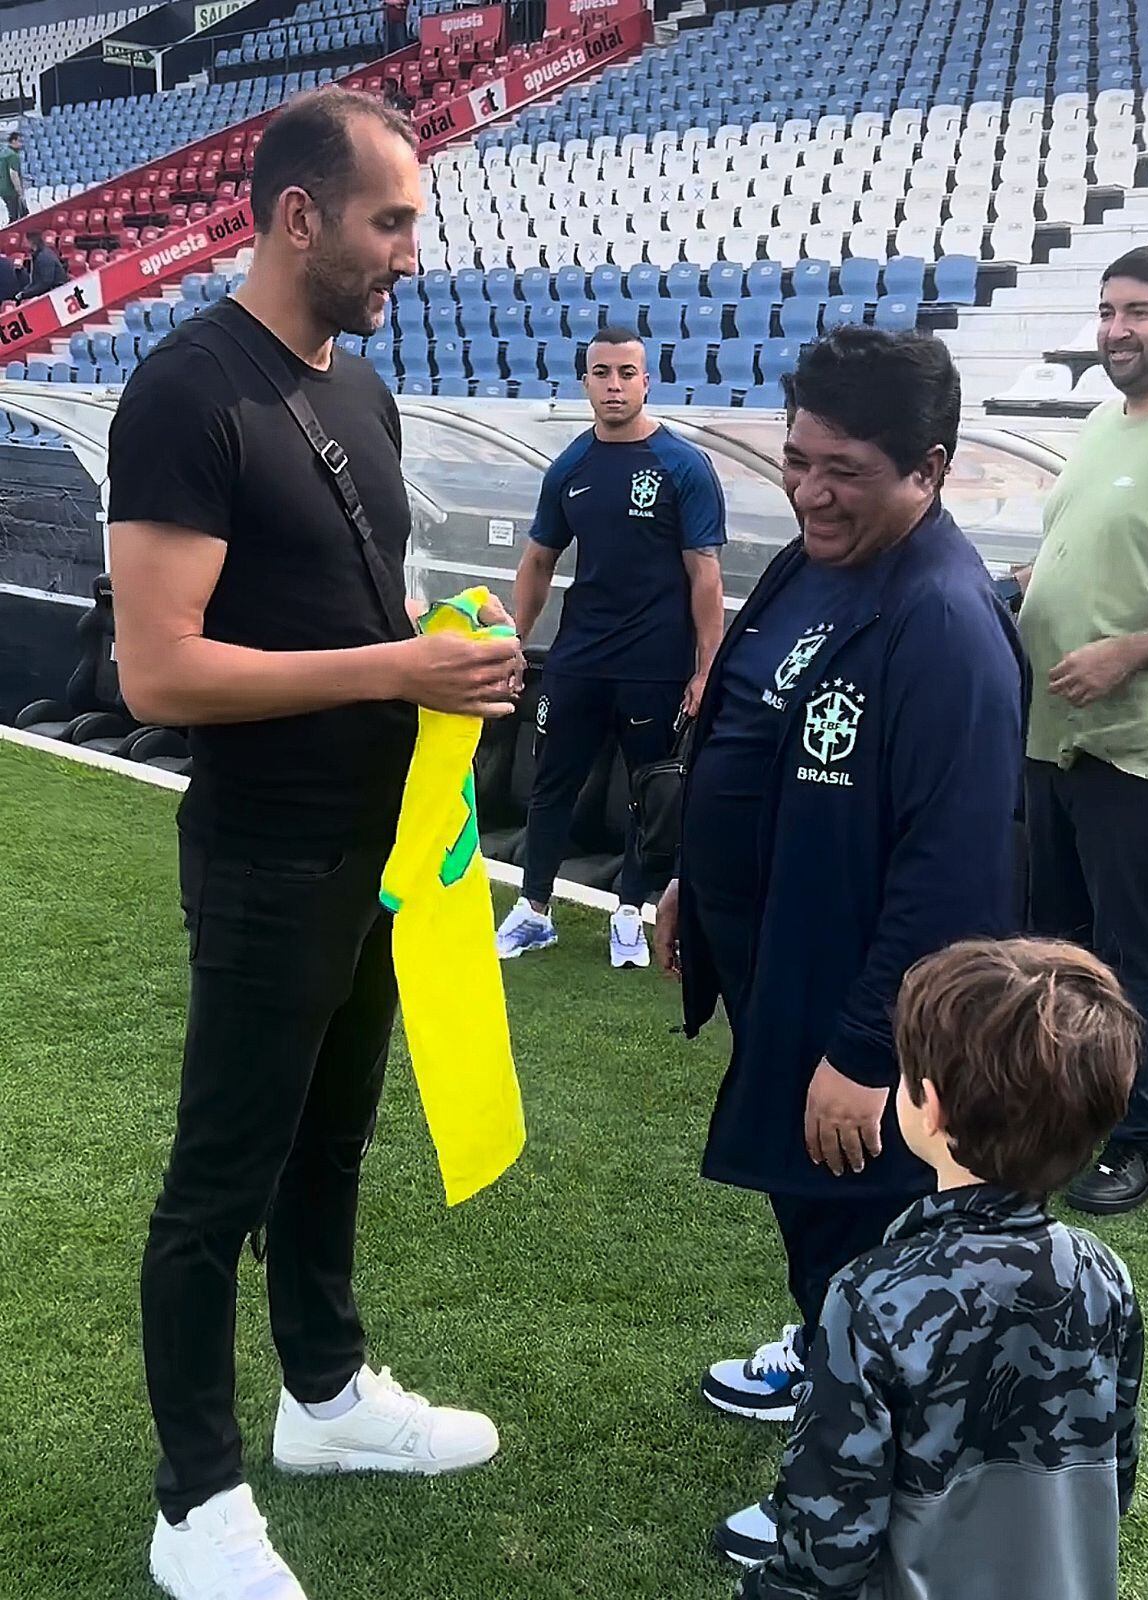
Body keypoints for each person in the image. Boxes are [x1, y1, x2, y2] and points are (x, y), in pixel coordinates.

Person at [108, 88, 524, 1600]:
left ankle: (327, 1400)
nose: (413, 249)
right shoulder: (185, 392)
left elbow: (342, 614)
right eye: (391, 219)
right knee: (220, 1179)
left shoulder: (358, 388)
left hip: (378, 843)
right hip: (268, 853)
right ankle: (194, 1499)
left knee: (335, 1138)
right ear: (299, 217)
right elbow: (159, 673)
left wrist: (441, 647)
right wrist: (392, 671)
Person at [654, 326, 1027, 1563]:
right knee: (818, 1229)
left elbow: (953, 878)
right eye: (796, 459)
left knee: (869, 1244)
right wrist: (687, 889)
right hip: (779, 969)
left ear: (928, 467)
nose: (810, 490)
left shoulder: (947, 625)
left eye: (845, 470)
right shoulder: (818, 563)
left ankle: (854, 1491)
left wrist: (869, 1053)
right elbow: (751, 732)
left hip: (861, 1013)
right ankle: (824, 1360)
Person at [740, 937, 1144, 1600]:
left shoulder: (874, 1298)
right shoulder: (1106, 1276)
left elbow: (828, 1540)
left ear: (930, 1105)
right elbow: (1113, 1472)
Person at [1017, 243, 1148, 1217]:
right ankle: (1067, 1106)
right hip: (1052, 733)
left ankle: (1140, 1137)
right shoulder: (1100, 425)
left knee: (1137, 952)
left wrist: (1126, 653)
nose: (1116, 330)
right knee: (1060, 943)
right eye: (1107, 311)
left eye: (1139, 312)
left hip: (1140, 746)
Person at [494, 325, 727, 970]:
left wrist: (707, 670)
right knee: (551, 782)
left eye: (627, 373)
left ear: (647, 381)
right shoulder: (571, 467)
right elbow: (538, 560)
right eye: (602, 373)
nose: (615, 385)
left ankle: (629, 913)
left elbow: (704, 576)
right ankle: (533, 909)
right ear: (586, 380)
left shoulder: (683, 467)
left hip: (654, 664)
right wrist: (516, 638)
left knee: (646, 795)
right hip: (578, 658)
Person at [16, 231, 67, 301]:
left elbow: (45, 283)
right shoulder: (37, 255)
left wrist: (26, 294)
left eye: (25, 241)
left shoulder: (44, 257)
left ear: (31, 242)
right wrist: (24, 292)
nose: (23, 243)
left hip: (56, 294)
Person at [0, 130, 27, 222]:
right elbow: (13, 174)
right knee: (18, 218)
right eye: (20, 141)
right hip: (11, 190)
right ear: (13, 141)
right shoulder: (13, 155)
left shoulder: (3, 153)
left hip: (2, 189)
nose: (21, 144)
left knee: (17, 214)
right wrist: (19, 190)